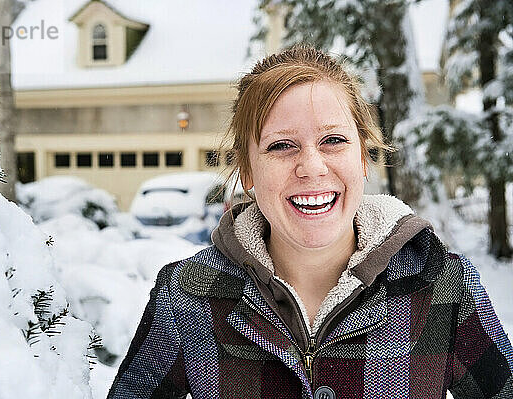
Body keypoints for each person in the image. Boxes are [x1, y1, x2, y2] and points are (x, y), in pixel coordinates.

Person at [108, 46, 513, 398]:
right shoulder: (188, 295)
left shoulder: (440, 283)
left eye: (333, 140)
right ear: (247, 172)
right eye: (282, 146)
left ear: (362, 157)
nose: (312, 167)